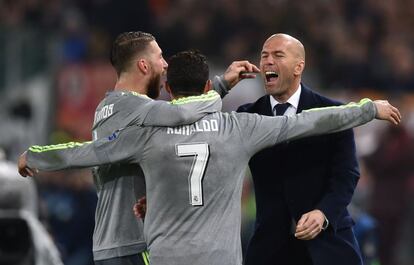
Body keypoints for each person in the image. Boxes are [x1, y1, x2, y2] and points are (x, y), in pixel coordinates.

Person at [18, 50, 400, 265]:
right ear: (207, 87)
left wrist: (36, 157)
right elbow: (312, 121)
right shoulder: (240, 128)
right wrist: (367, 109)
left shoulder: (150, 134)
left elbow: (89, 152)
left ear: (167, 89)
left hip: (166, 258)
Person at [20, 31, 259, 265]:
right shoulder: (138, 109)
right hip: (134, 241)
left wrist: (37, 157)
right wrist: (221, 86)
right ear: (144, 65)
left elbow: (87, 150)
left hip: (106, 241)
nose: (165, 65)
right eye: (160, 56)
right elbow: (183, 112)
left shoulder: (107, 107)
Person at [236, 33, 373, 265]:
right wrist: (223, 86)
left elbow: (346, 174)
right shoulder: (247, 116)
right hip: (270, 249)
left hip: (328, 244)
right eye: (264, 56)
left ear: (299, 66)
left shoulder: (333, 112)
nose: (268, 61)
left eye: (278, 55)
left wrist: (323, 214)